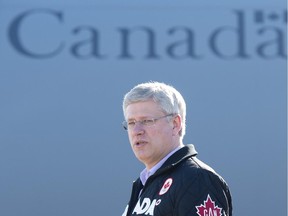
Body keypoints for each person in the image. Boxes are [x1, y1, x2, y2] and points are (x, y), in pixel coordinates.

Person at [121, 81, 232, 216]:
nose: (137, 131)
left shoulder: (196, 180)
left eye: (147, 121)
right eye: (131, 123)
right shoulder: (144, 183)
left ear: (175, 124)